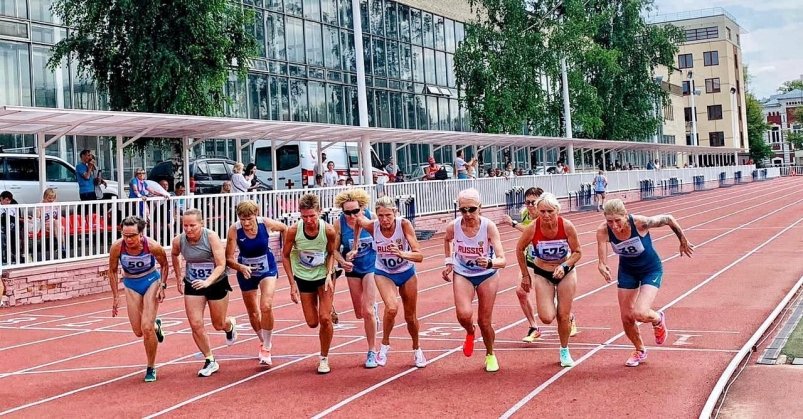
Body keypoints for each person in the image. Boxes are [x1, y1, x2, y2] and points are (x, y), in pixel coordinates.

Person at [596, 199, 693, 367]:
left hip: (650, 269)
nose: (614, 225)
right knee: (626, 317)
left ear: (625, 216)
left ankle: (657, 319)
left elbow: (669, 218)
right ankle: (639, 350)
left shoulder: (640, 223)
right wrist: (602, 266)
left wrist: (682, 240)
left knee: (640, 313)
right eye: (609, 221)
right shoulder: (603, 231)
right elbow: (601, 260)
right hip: (627, 271)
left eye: (617, 220)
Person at [352, 196, 426, 368]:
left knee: (410, 317)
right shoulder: (373, 226)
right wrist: (355, 246)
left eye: (388, 215)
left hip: (406, 271)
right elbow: (358, 221)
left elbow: (419, 255)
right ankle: (384, 346)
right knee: (391, 308)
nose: (384, 220)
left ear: (395, 213)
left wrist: (402, 254)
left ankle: (417, 349)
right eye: (380, 215)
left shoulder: (404, 225)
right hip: (383, 271)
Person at [442, 189, 506, 372]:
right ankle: (470, 332)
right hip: (463, 272)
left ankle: (490, 354)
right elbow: (447, 240)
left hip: (487, 274)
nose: (468, 214)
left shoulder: (488, 226)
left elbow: (503, 259)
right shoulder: (453, 226)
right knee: (463, 314)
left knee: (484, 321)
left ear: (480, 208)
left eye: (472, 209)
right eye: (463, 210)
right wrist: (448, 262)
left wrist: (491, 261)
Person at [516, 193, 582, 367]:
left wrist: (565, 266)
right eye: (542, 211)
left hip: (565, 273)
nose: (546, 215)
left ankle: (564, 350)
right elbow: (519, 248)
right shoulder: (532, 227)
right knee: (546, 317)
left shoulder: (566, 226)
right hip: (542, 273)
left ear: (557, 211)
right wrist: (524, 275)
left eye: (550, 211)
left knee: (563, 315)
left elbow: (577, 252)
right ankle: (552, 298)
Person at [171, 209, 237, 377]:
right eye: (185, 225)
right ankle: (210, 359)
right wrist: (179, 277)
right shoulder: (179, 240)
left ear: (202, 224)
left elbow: (221, 264)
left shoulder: (211, 237)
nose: (188, 229)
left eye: (192, 225)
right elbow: (174, 254)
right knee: (195, 323)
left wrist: (208, 281)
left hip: (216, 282)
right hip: (193, 283)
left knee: (218, 324)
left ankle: (229, 325)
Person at [281, 194, 338, 374]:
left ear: (319, 213)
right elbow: (285, 256)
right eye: (304, 216)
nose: (309, 220)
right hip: (303, 277)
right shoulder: (293, 231)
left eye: (312, 216)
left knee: (325, 319)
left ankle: (324, 358)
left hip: (324, 276)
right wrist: (292, 284)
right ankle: (328, 307)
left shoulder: (328, 230)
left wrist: (329, 273)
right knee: (312, 322)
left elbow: (331, 253)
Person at [225, 200, 287, 366]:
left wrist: (285, 250)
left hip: (267, 268)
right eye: (242, 219)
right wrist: (240, 267)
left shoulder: (265, 223)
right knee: (253, 312)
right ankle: (262, 341)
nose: (245, 223)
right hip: (246, 270)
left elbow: (284, 228)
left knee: (266, 306)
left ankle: (267, 347)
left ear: (256, 215)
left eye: (249, 219)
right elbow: (228, 258)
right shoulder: (234, 229)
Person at [108, 216, 169, 382]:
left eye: (132, 235)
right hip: (131, 284)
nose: (128, 239)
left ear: (141, 234)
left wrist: (162, 286)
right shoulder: (117, 248)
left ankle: (151, 367)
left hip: (150, 281)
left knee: (146, 327)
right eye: (125, 235)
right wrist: (115, 296)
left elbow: (164, 264)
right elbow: (112, 271)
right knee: (138, 331)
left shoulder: (153, 246)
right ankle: (156, 326)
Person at [333, 189, 379, 368]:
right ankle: (371, 308)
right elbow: (334, 250)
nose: (352, 215)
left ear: (362, 208)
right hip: (353, 269)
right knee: (359, 313)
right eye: (348, 212)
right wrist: (343, 262)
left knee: (367, 311)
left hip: (371, 266)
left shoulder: (371, 217)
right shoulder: (339, 224)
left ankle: (371, 351)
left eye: (355, 211)